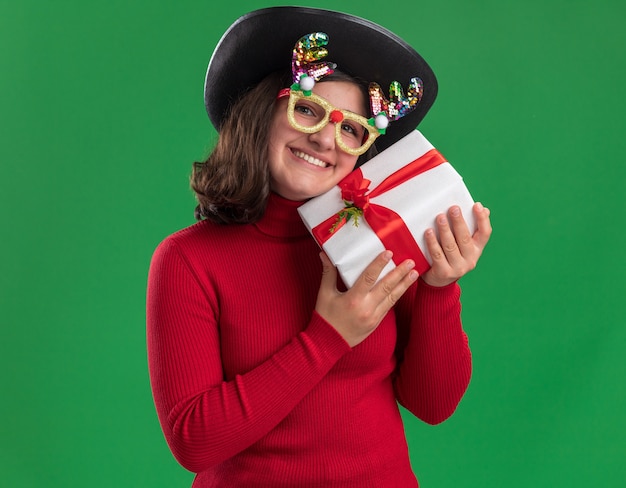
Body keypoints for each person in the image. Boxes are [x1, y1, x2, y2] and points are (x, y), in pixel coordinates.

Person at [146, 6, 492, 487]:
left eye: (351, 128)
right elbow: (194, 441)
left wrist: (439, 288)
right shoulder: (188, 260)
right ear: (260, 113)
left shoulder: (378, 238)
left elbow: (433, 406)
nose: (327, 139)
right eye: (307, 110)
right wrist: (329, 336)